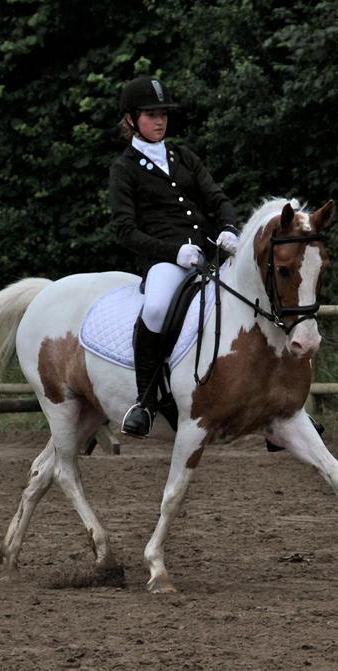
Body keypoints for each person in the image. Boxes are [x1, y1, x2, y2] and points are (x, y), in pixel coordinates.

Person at [109, 75, 239, 437]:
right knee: (154, 308)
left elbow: (217, 198)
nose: (160, 120)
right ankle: (145, 401)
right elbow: (124, 230)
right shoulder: (124, 169)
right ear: (132, 119)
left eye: (163, 113)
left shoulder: (183, 156)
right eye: (151, 114)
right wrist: (172, 252)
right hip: (166, 260)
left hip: (208, 253)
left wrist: (228, 227)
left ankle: (274, 399)